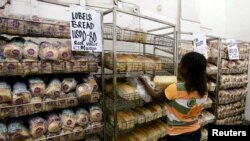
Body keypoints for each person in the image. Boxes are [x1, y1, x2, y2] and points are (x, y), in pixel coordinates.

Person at [138, 52, 208, 141]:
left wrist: (144, 81)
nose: (179, 66)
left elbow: (155, 97)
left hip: (178, 135)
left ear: (185, 69)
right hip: (195, 132)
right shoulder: (204, 90)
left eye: (180, 64)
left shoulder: (176, 88)